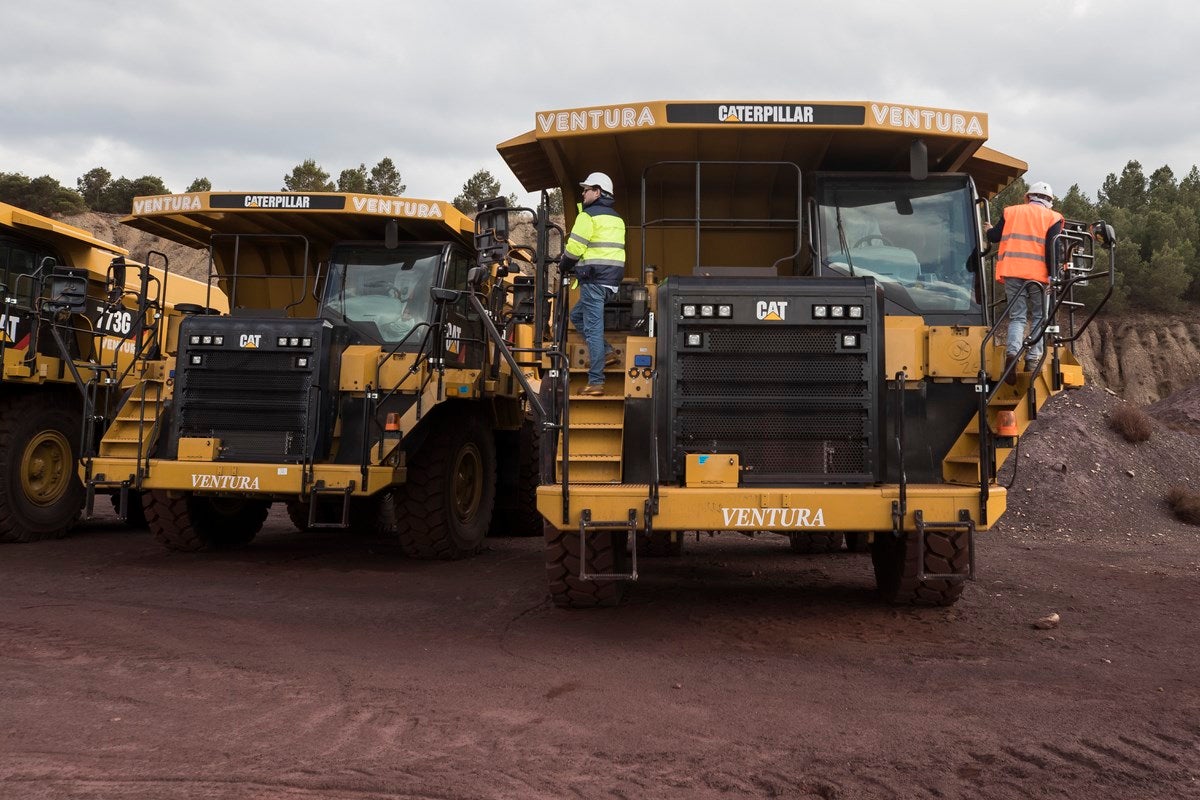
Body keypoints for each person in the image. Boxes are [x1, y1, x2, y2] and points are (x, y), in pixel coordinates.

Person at [985, 180, 1063, 385]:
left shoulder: (1011, 212)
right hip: (1038, 276)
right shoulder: (1053, 217)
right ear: (1050, 202)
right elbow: (1052, 249)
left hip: (1012, 271)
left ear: (1028, 197)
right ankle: (1032, 359)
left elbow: (994, 236)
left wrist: (988, 229)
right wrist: (1053, 277)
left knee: (1017, 316)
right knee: (1040, 316)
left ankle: (1012, 356)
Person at [561, 172, 625, 395]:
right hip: (610, 284)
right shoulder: (616, 219)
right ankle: (607, 353)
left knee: (593, 328)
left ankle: (596, 381)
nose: (583, 193)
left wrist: (563, 264)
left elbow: (575, 248)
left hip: (593, 281)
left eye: (586, 189)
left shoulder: (587, 216)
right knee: (577, 317)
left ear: (597, 192)